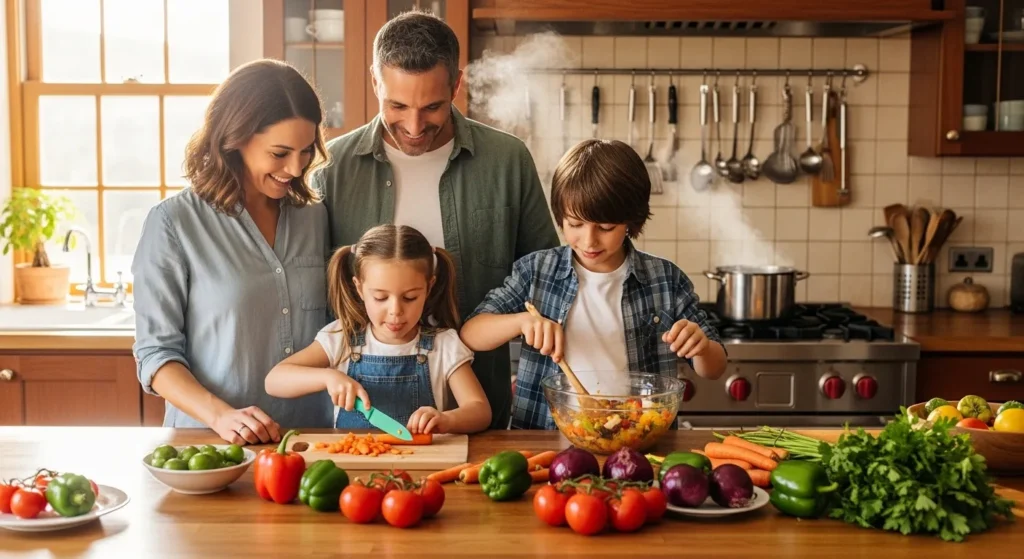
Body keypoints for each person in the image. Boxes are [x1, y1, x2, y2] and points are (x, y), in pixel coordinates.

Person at [314, 11, 559, 429]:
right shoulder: (331, 168)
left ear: (456, 85)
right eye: (396, 105)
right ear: (375, 81)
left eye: (432, 107)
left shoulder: (506, 161)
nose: (412, 126)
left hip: (479, 413)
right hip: (359, 424)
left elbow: (549, 280)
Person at [460, 139, 728, 430]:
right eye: (575, 224)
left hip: (639, 435)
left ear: (631, 221)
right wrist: (522, 322)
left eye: (605, 228)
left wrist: (700, 347)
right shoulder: (536, 271)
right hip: (545, 438)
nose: (589, 241)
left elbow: (715, 368)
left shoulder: (666, 279)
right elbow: (471, 334)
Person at [132, 59, 335, 444]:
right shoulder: (174, 224)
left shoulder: (314, 217)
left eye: (306, 151)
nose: (295, 168)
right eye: (279, 153)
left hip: (309, 442)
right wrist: (221, 416)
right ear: (235, 138)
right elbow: (156, 356)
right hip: (213, 445)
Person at [265, 224, 491, 434]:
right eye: (380, 297)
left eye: (410, 297)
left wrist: (446, 420)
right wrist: (327, 377)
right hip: (351, 468)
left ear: (429, 287)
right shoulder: (341, 338)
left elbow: (480, 410)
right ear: (360, 288)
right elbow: (274, 380)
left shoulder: (444, 345)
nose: (395, 311)